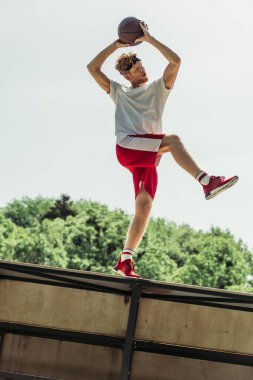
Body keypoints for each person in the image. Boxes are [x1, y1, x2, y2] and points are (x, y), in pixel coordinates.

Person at [87, 23, 238, 278]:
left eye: (142, 65)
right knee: (173, 141)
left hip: (147, 155)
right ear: (127, 76)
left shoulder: (158, 89)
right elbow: (92, 68)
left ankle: (125, 259)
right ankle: (206, 181)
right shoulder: (119, 92)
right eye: (136, 69)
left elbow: (176, 61)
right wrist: (117, 45)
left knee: (144, 205)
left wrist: (150, 39)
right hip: (127, 146)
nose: (142, 70)